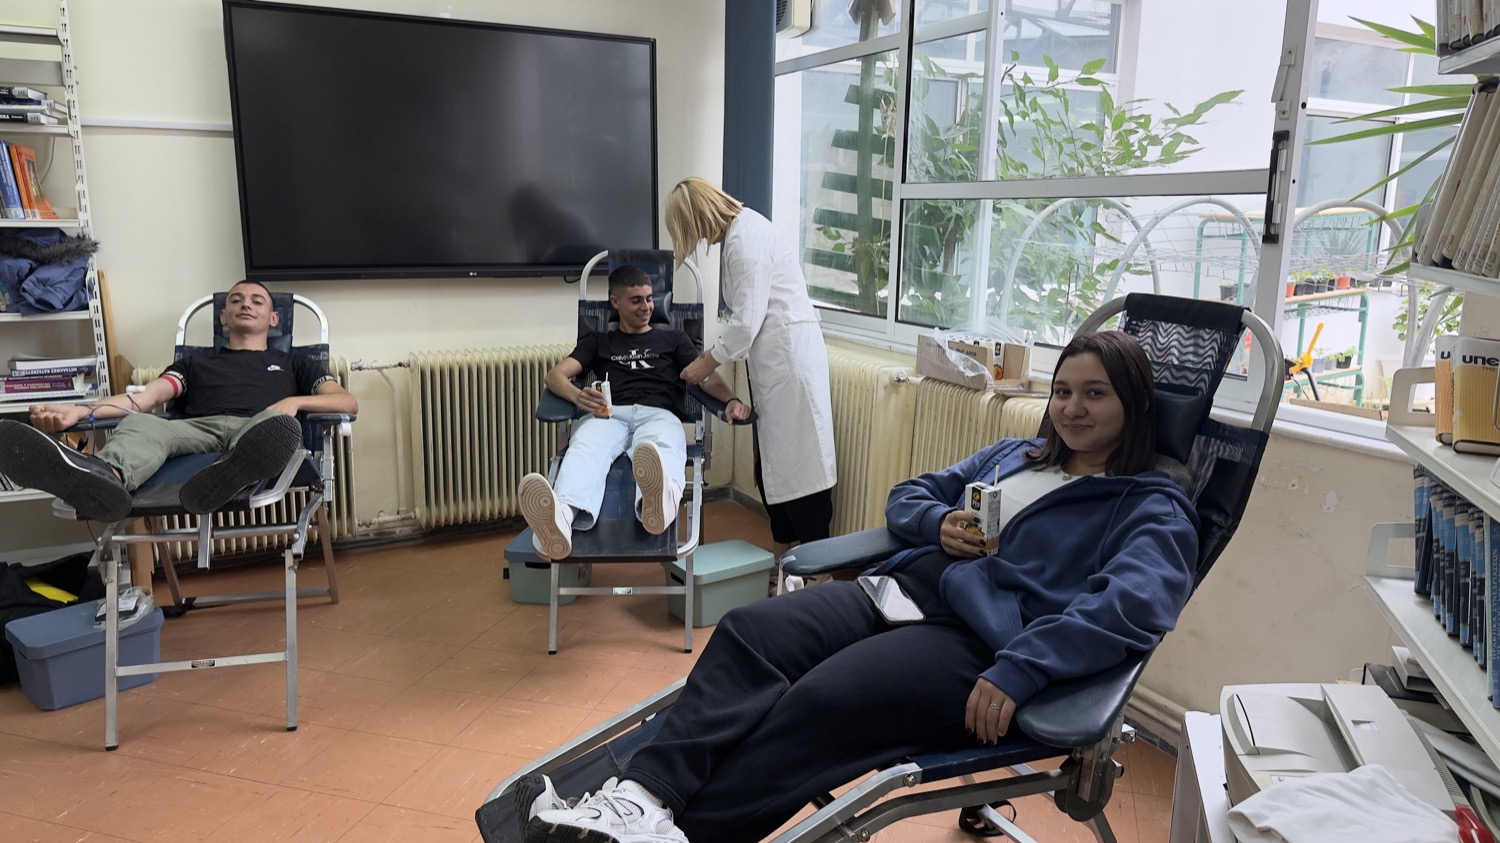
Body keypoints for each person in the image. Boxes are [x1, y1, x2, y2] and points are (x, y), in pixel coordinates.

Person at [516, 330, 1199, 843]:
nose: (1072, 408)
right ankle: (641, 796)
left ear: (1135, 403)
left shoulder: (1150, 505)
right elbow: (910, 495)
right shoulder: (1016, 455)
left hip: (981, 644)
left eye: (1095, 393)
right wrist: (937, 524)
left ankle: (685, 833)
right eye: (1063, 391)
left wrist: (1025, 666)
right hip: (904, 592)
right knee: (751, 632)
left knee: (821, 700)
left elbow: (1131, 606)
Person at [0, 280, 358, 607]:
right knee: (141, 423)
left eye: (256, 301)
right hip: (196, 429)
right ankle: (102, 478)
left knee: (277, 426)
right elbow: (143, 399)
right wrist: (80, 411)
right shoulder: (193, 365)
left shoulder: (295, 363)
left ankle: (231, 469)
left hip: (259, 425)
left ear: (274, 318)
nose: (246, 305)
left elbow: (346, 402)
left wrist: (294, 401)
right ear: (223, 317)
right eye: (236, 300)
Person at [519, 264, 750, 560]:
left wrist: (730, 400)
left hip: (658, 413)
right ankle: (560, 519)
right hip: (608, 414)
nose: (646, 307)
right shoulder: (599, 341)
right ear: (615, 302)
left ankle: (658, 504)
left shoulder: (674, 339)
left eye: (650, 299)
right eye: (636, 300)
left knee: (658, 448)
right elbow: (554, 376)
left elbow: (705, 377)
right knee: (585, 448)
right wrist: (577, 396)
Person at [666, 177, 836, 559]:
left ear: (699, 217)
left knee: (802, 472)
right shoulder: (737, 237)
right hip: (773, 365)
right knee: (773, 469)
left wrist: (704, 363)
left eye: (690, 229)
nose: (696, 239)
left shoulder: (745, 239)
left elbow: (745, 325)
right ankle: (782, 561)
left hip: (791, 365)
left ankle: (817, 569)